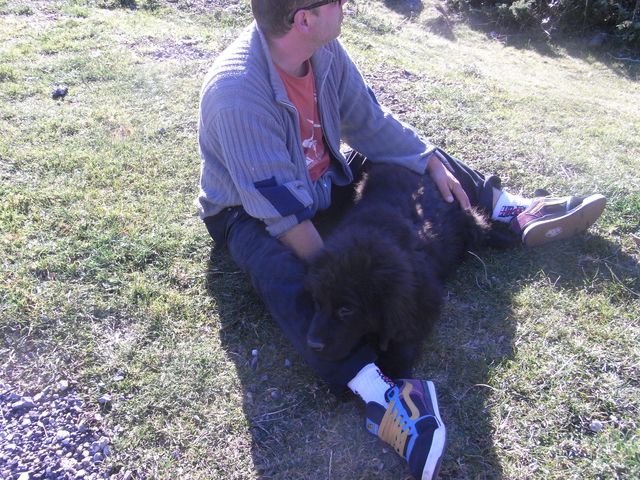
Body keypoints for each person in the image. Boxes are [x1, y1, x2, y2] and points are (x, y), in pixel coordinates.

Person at [195, 1, 606, 478]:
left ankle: (506, 209)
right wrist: (344, 276)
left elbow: (371, 122)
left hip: (321, 183)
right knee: (284, 271)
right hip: (248, 211)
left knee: (413, 154)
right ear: (303, 18)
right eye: (335, 1)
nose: (346, 6)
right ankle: (382, 393)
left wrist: (428, 160)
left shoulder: (323, 51)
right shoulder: (236, 96)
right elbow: (282, 216)